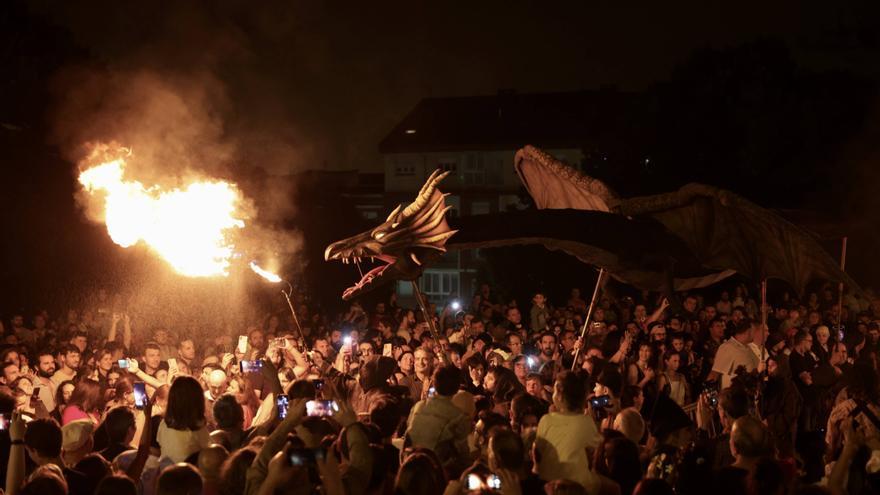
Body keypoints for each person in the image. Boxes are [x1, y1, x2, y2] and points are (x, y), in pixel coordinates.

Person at [534, 371, 601, 493]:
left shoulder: (546, 420)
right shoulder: (586, 421)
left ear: (559, 394)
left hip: (550, 481)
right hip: (578, 482)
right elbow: (595, 447)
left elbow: (539, 449)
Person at [405, 365, 471, 474]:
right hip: (435, 470)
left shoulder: (419, 406)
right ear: (456, 387)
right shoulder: (457, 415)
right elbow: (463, 453)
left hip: (409, 463)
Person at [157, 376, 210, 463]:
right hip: (187, 473)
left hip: (166, 472)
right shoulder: (197, 427)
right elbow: (209, 450)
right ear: (197, 400)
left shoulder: (164, 423)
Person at [709, 319, 759, 389]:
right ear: (748, 331)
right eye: (755, 331)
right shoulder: (727, 348)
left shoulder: (749, 348)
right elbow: (714, 374)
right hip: (735, 396)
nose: (757, 334)